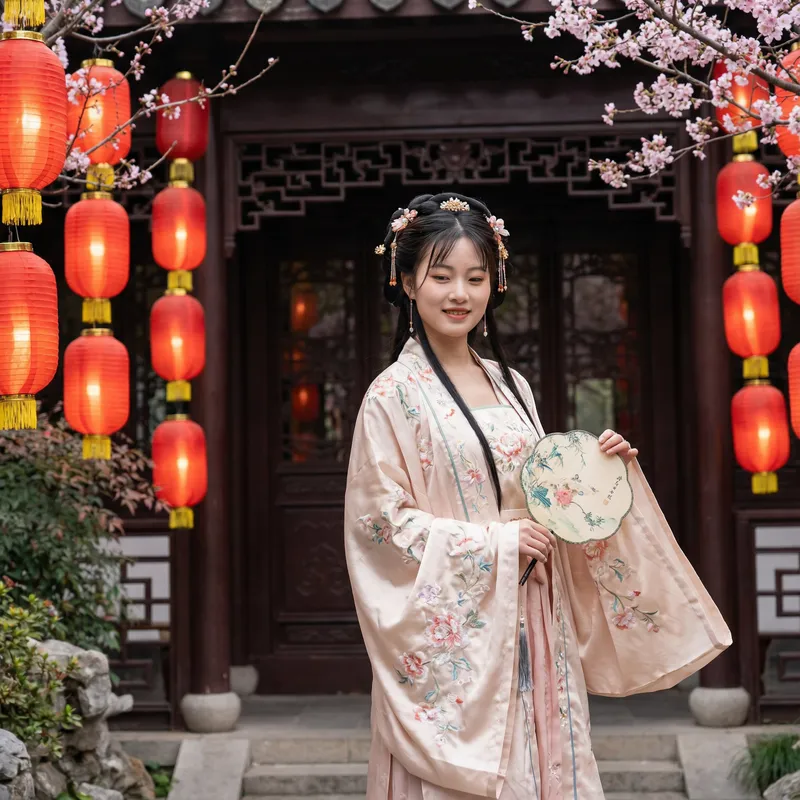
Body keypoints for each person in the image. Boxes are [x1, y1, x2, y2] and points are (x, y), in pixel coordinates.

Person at [343, 192, 731, 799]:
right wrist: (494, 543)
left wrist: (602, 474)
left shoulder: (511, 384)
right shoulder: (392, 395)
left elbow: (547, 497)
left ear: (494, 284)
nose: (458, 294)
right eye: (440, 276)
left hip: (534, 611)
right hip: (466, 624)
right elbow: (378, 527)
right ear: (407, 280)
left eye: (475, 277)